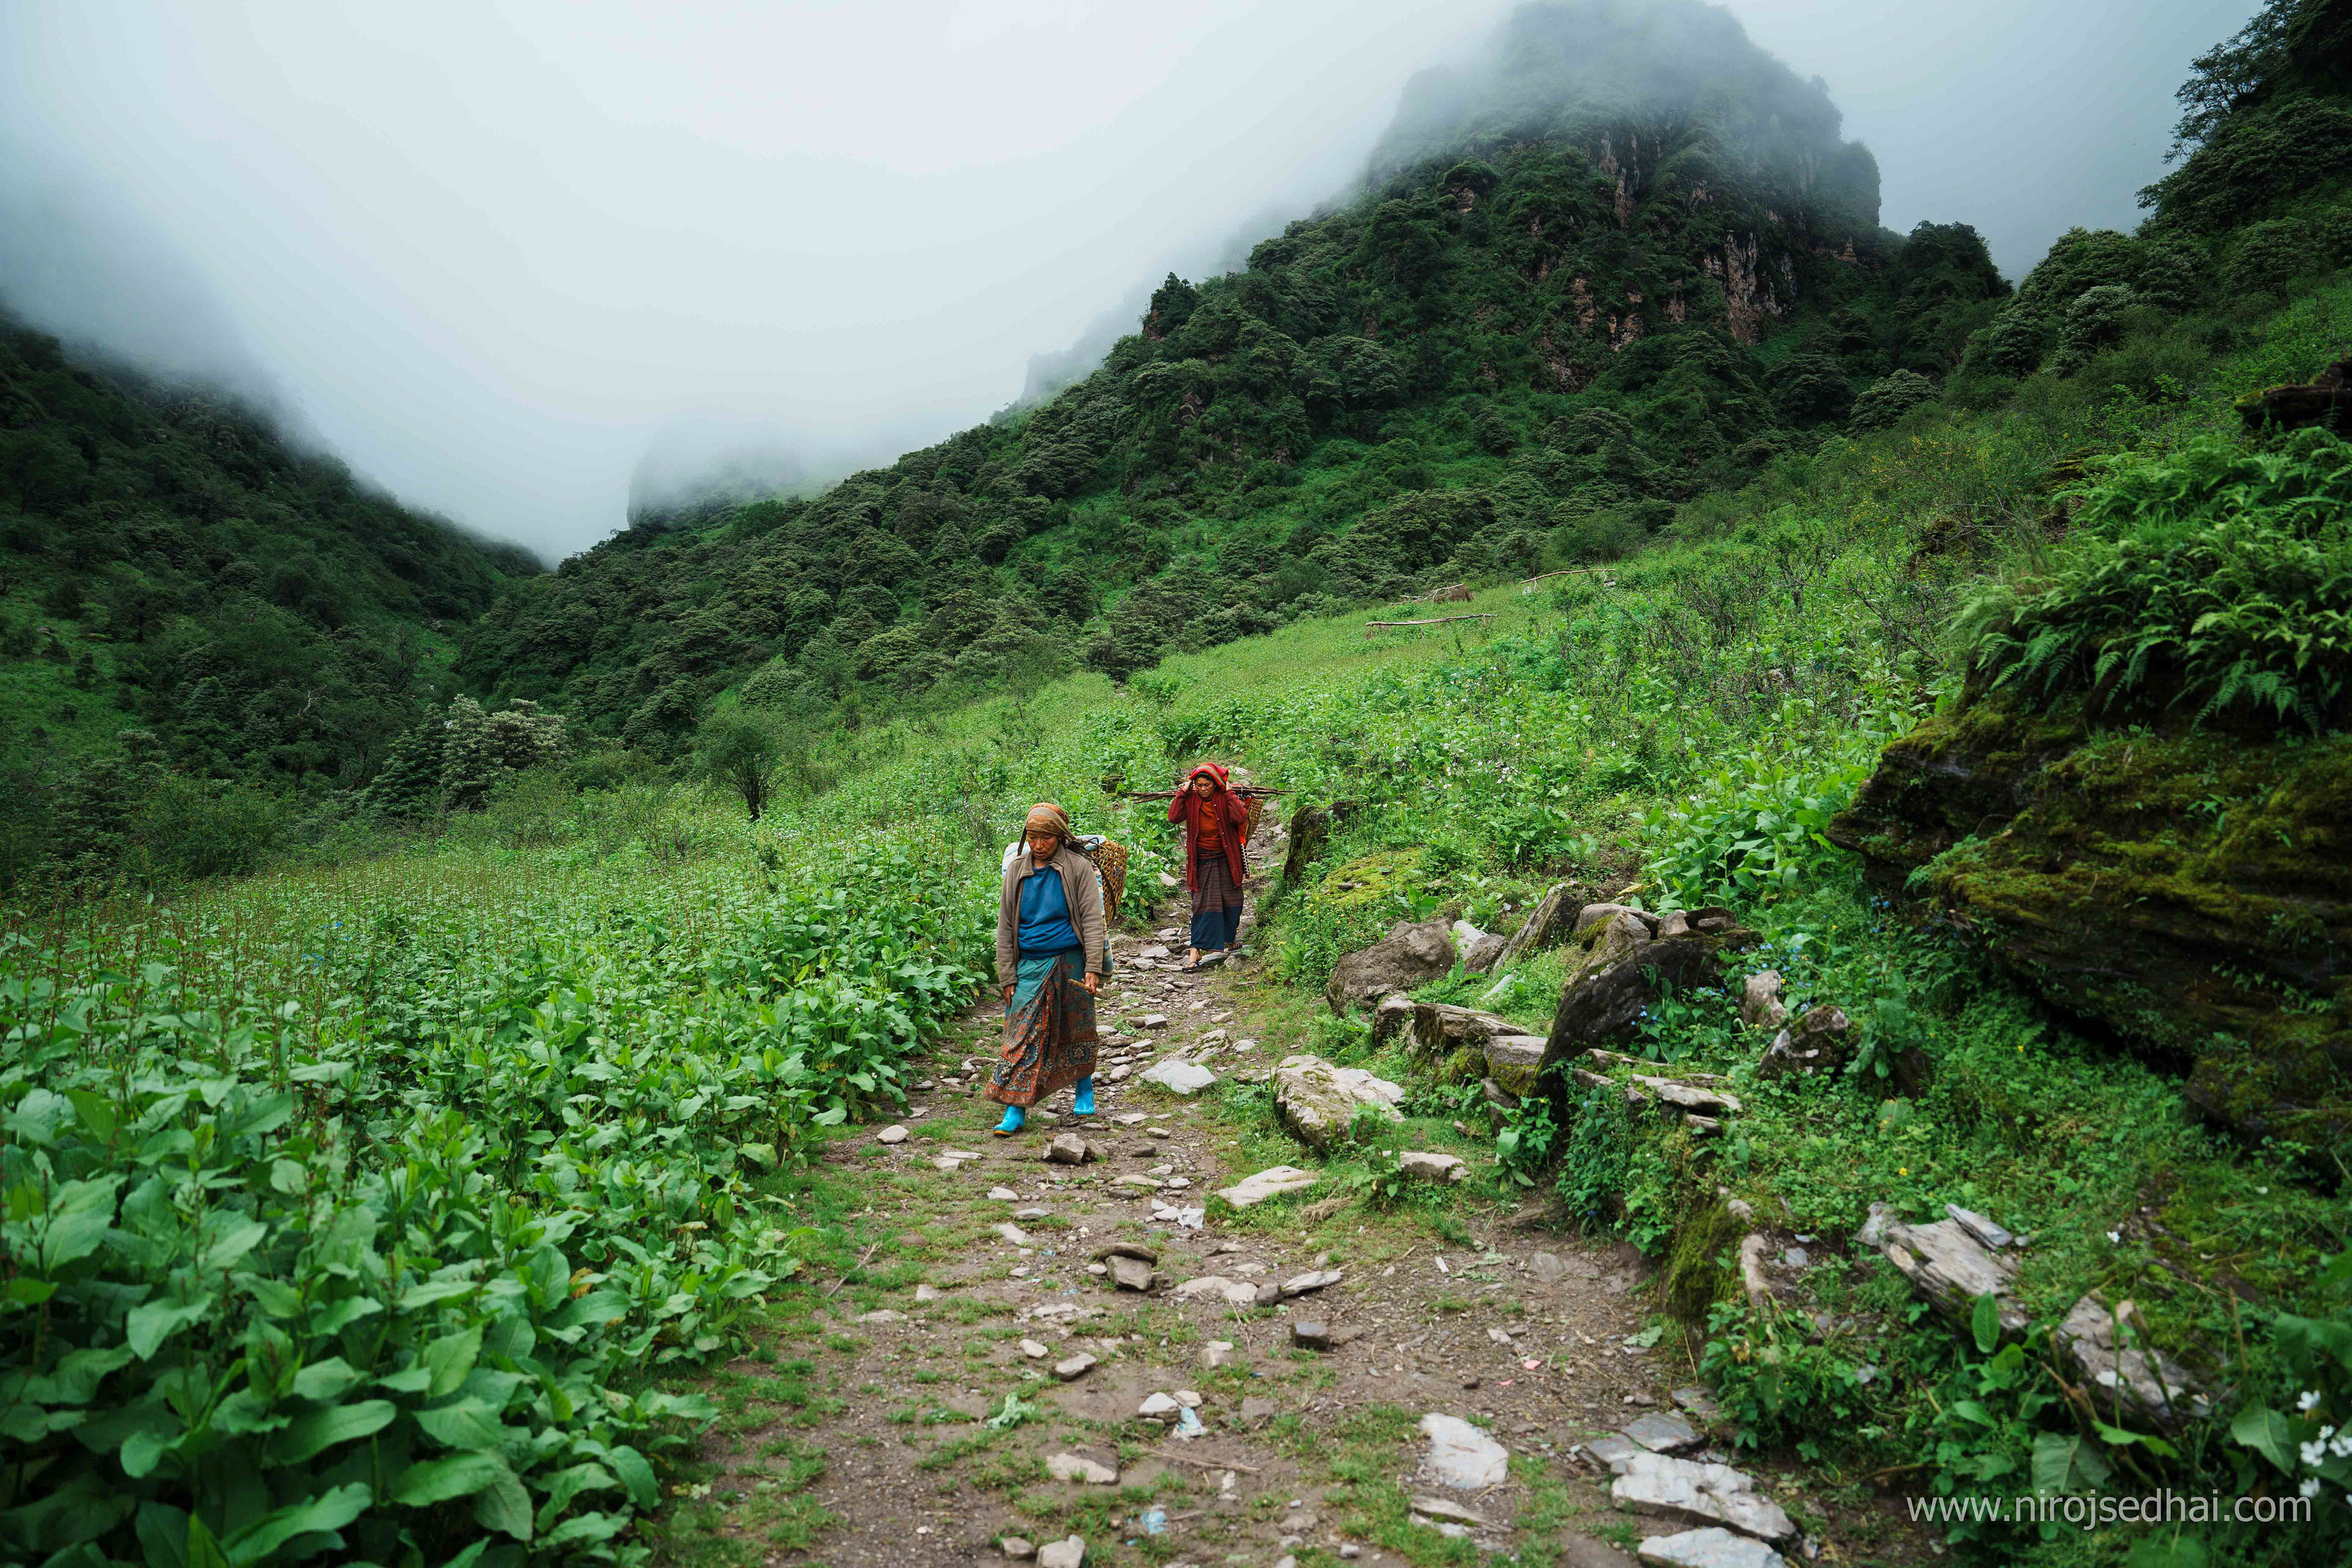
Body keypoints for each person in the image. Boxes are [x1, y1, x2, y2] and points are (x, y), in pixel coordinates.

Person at [987, 802, 1108, 1136]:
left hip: (1070, 959)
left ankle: (1084, 1091)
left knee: (1075, 1025)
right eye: (1034, 837)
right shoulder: (1016, 870)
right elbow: (1006, 926)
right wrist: (1007, 975)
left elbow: (1092, 921)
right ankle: (1016, 1109)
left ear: (1060, 837)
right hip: (1030, 963)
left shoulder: (1078, 868)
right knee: (1021, 1035)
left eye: (1047, 838)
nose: (1039, 844)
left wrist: (1093, 968)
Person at [1167, 763, 1250, 971]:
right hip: (1202, 860)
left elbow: (1240, 817)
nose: (1203, 789)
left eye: (1207, 785)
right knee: (1203, 905)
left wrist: (1229, 792)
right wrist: (1182, 793)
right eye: (1199, 785)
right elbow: (1174, 817)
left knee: (1233, 901)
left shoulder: (1223, 798)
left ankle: (1229, 938)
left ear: (1216, 784)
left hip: (1226, 858)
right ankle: (1196, 950)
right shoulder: (1191, 799)